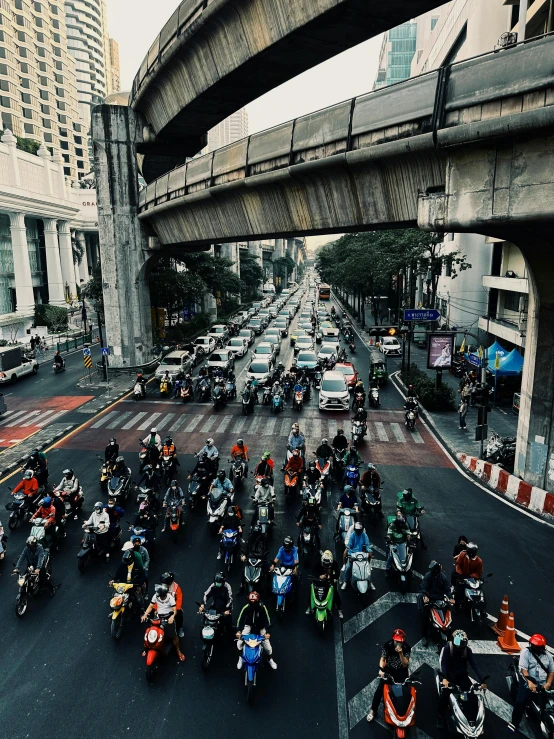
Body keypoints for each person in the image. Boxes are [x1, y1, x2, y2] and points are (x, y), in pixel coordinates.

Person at [438, 630, 487, 728]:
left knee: (471, 695)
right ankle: (440, 716)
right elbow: (443, 663)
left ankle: (471, 718)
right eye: (457, 641)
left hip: (462, 676)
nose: (459, 645)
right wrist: (444, 678)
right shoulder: (447, 648)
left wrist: (482, 680)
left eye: (462, 643)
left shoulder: (467, 651)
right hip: (449, 677)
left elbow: (475, 665)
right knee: (445, 695)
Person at [508, 634, 554, 733]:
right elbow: (524, 670)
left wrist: (548, 683)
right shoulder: (526, 653)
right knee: (520, 701)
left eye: (536, 646)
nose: (534, 647)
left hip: (543, 682)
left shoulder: (549, 656)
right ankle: (515, 722)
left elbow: (551, 671)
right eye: (533, 645)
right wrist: (529, 682)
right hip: (528, 680)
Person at [367, 629, 411, 723]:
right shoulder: (387, 645)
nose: (398, 643)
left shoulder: (407, 648)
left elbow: (405, 664)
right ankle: (373, 710)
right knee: (379, 690)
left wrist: (401, 653)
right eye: (396, 641)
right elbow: (382, 659)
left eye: (400, 642)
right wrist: (381, 669)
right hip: (389, 670)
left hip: (401, 671)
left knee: (405, 691)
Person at [141, 583, 185, 662]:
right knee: (150, 631)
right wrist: (145, 615)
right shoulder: (156, 596)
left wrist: (172, 617)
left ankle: (178, 651)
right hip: (158, 617)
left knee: (174, 636)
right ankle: (147, 648)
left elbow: (174, 610)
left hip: (168, 618)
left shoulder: (170, 598)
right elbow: (151, 606)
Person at [236, 592, 277, 670]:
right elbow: (240, 619)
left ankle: (269, 659)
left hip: (261, 628)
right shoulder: (246, 607)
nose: (252, 605)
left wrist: (268, 632)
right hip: (249, 626)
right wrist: (239, 631)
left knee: (268, 647)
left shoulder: (262, 607)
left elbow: (267, 620)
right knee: (239, 643)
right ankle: (240, 657)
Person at [418, 560, 453, 645]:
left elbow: (447, 589)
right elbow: (424, 587)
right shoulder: (428, 576)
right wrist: (425, 596)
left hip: (440, 599)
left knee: (448, 613)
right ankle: (424, 636)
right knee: (425, 617)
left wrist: (451, 598)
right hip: (430, 599)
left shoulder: (443, 577)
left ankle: (449, 633)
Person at [237, 525, 270, 595]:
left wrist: (264, 556)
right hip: (251, 557)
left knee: (268, 570)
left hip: (260, 558)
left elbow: (266, 549)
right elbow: (247, 547)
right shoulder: (250, 537)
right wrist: (244, 555)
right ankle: (241, 586)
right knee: (244, 571)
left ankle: (268, 588)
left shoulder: (264, 538)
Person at [309, 549, 343, 618]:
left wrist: (331, 576)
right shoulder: (318, 562)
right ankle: (309, 606)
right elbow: (313, 570)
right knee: (312, 591)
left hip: (329, 580)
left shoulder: (335, 563)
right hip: (319, 580)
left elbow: (337, 574)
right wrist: (319, 576)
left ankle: (339, 609)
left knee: (335, 593)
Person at [341, 522, 373, 590]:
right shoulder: (352, 535)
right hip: (354, 555)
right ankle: (346, 581)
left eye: (360, 530)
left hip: (363, 555)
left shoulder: (364, 535)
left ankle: (370, 582)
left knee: (368, 569)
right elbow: (349, 547)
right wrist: (350, 555)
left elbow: (367, 545)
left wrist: (369, 550)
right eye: (357, 530)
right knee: (348, 567)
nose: (358, 532)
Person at [454, 542, 483, 607]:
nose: (466, 550)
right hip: (462, 577)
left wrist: (471, 576)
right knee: (458, 592)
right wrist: (460, 574)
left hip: (472, 579)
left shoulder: (479, 561)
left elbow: (479, 573)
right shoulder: (463, 555)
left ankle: (481, 607)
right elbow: (458, 564)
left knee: (480, 593)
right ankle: (456, 606)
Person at [161, 571, 185, 638]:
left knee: (179, 614)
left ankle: (180, 628)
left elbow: (179, 600)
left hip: (173, 607)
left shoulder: (176, 588)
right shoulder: (162, 587)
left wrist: (175, 609)